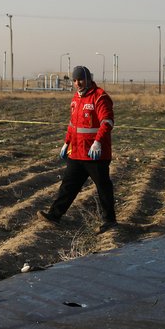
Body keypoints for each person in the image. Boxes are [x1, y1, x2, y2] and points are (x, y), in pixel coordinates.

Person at [38, 65, 117, 233]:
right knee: (68, 185)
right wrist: (67, 142)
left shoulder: (100, 97)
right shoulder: (75, 99)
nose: (77, 83)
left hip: (95, 154)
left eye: (80, 79)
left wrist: (98, 142)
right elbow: (73, 125)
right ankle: (54, 215)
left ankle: (109, 221)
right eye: (74, 80)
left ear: (88, 79)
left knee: (103, 187)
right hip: (77, 152)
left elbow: (107, 122)